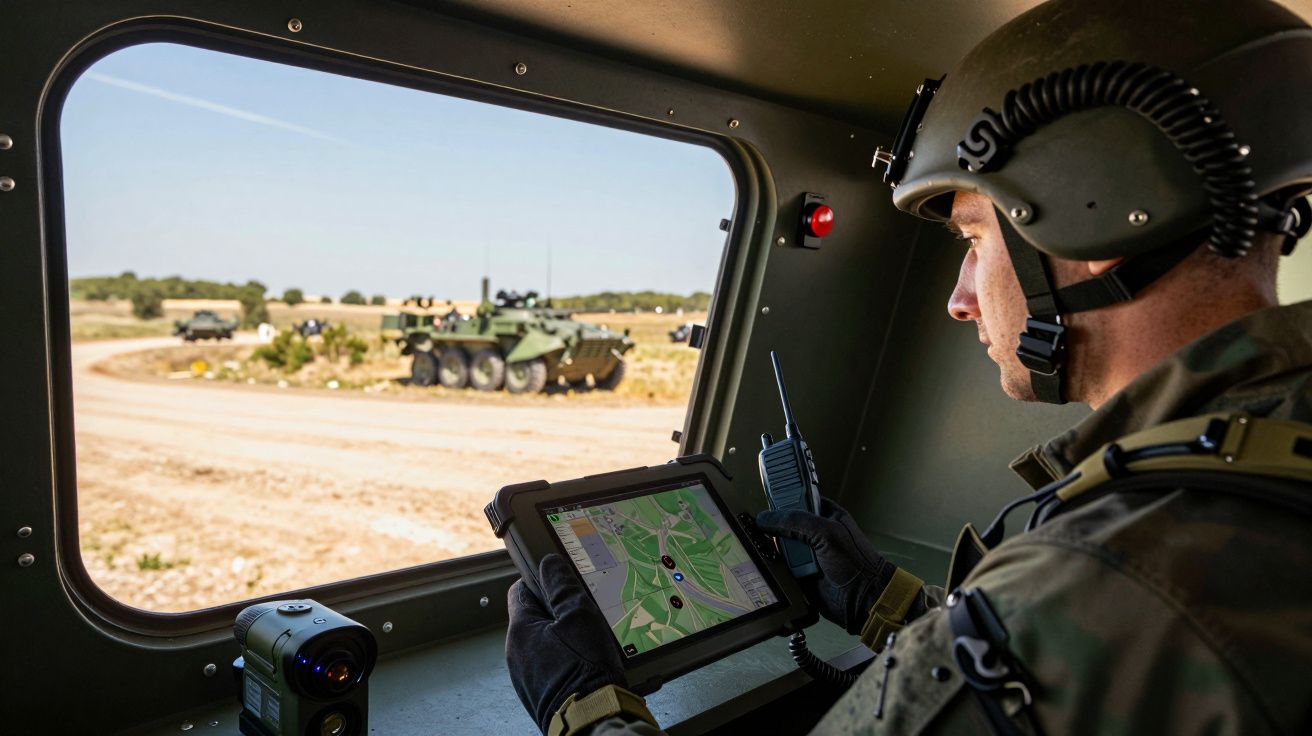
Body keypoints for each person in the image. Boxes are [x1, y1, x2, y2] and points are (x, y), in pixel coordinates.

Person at [505, 0, 1312, 733]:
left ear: (1091, 226)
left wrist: (587, 707)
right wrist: (883, 603)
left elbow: (1068, 641)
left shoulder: (1113, 577)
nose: (960, 300)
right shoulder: (1266, 444)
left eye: (971, 241)